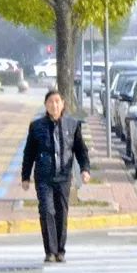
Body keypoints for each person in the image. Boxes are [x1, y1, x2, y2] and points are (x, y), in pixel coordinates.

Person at [21, 89, 90, 263]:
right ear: (46, 105)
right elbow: (29, 153)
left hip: (64, 176)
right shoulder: (36, 126)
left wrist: (85, 169)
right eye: (51, 102)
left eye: (57, 101)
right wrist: (25, 176)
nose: (54, 105)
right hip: (44, 177)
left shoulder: (72, 125)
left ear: (63, 104)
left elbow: (81, 150)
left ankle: (60, 250)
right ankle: (50, 251)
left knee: (61, 212)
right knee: (47, 211)